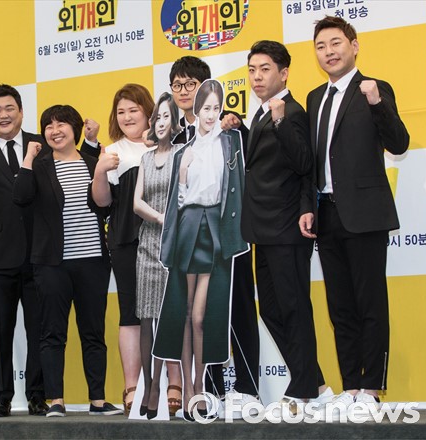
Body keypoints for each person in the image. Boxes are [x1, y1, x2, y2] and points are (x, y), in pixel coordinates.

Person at [0, 84, 100, 418]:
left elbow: (80, 167)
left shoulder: (43, 144)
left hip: (41, 253)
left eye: (10, 108)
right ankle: (1, 397)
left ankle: (38, 396)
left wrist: (91, 142)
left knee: (40, 328)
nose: (3, 115)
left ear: (21, 112)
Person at [304, 16, 409, 410]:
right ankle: (350, 388)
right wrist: (308, 207)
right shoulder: (314, 98)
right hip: (326, 214)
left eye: (336, 43)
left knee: (370, 304)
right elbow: (312, 161)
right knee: (340, 307)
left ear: (354, 46)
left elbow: (399, 142)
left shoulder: (375, 88)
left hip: (364, 214)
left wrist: (377, 102)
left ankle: (371, 388)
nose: (329, 52)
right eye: (321, 46)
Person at [13, 104, 122, 418]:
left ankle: (98, 400)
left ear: (75, 129)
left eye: (61, 124)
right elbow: (20, 196)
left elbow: (106, 205)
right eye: (48, 125)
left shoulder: (93, 163)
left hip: (93, 261)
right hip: (51, 263)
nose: (54, 130)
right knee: (52, 333)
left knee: (93, 332)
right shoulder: (40, 165)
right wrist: (28, 158)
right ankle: (56, 400)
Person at [241, 40, 328, 413]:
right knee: (272, 311)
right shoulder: (261, 113)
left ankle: (304, 388)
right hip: (262, 229)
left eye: (265, 69)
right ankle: (315, 383)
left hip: (288, 226)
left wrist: (279, 120)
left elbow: (305, 163)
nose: (257, 77)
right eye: (252, 70)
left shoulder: (291, 111)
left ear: (284, 73)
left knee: (293, 308)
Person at [153, 80, 248, 421]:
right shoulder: (183, 152)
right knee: (182, 313)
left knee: (200, 317)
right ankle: (190, 392)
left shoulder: (230, 143)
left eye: (216, 109)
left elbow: (237, 187)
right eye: (206, 108)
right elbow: (177, 203)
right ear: (196, 110)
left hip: (215, 232)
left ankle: (200, 383)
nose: (210, 115)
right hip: (188, 228)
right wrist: (181, 173)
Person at [170, 57, 260, 413]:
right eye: (177, 85)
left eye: (191, 84)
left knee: (238, 309)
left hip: (229, 234)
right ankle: (211, 390)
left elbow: (252, 162)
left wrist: (238, 126)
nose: (184, 91)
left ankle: (248, 389)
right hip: (190, 238)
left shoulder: (229, 128)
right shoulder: (174, 136)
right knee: (198, 316)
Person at [90, 83, 172, 416]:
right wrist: (99, 170)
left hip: (166, 239)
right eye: (120, 111)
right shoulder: (113, 151)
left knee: (168, 310)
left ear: (149, 112)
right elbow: (102, 203)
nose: (126, 117)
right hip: (126, 240)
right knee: (131, 312)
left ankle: (172, 385)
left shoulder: (169, 145)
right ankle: (132, 387)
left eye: (133, 110)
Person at [131, 92, 182, 419]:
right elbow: (137, 203)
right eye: (158, 117)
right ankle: (149, 384)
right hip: (149, 243)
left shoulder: (183, 154)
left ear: (175, 122)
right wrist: (162, 218)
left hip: (174, 245)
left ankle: (161, 385)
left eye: (167, 116)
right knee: (146, 318)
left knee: (167, 318)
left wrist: (171, 222)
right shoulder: (146, 158)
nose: (161, 122)